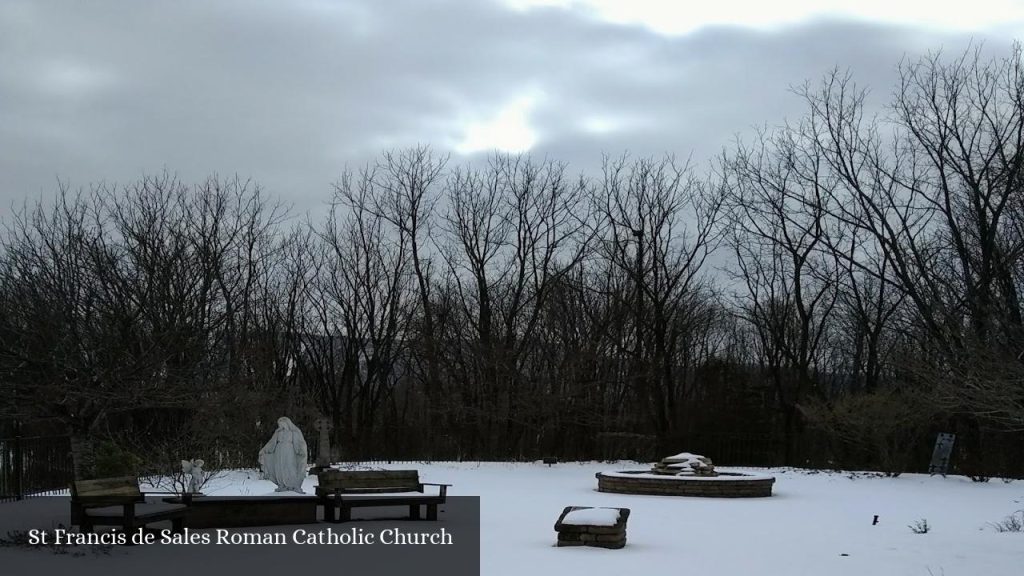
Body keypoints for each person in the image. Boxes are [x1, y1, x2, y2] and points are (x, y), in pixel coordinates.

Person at [258, 417, 309, 493]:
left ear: (286, 423)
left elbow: (298, 443)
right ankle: (282, 484)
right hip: (279, 451)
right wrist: (264, 450)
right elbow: (272, 443)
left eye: (281, 424)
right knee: (279, 467)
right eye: (279, 424)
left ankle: (292, 485)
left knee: (290, 467)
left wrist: (300, 450)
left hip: (289, 451)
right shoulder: (278, 432)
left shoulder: (293, 432)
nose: (280, 426)